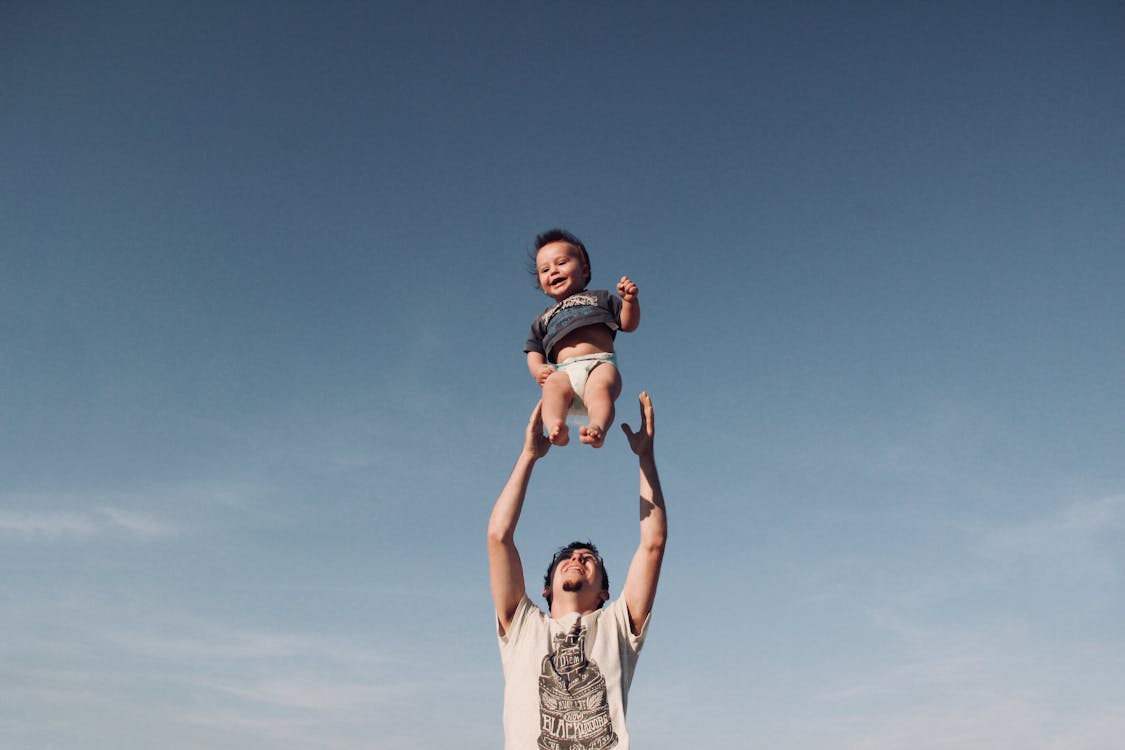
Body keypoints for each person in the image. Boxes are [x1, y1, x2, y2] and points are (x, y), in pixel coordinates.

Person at [487, 392, 667, 749]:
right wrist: (528, 456)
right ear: (546, 589)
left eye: (589, 559)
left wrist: (646, 457)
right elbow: (498, 537)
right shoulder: (523, 627)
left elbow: (653, 543)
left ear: (604, 592)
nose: (577, 559)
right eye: (567, 557)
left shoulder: (617, 626)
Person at [524, 228, 640, 448]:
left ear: (584, 269)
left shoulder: (600, 298)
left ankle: (597, 427)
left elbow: (628, 324)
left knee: (600, 391)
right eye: (545, 269)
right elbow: (533, 350)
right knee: (551, 388)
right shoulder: (544, 318)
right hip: (564, 371)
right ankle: (556, 426)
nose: (553, 271)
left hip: (599, 363)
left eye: (561, 263)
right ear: (541, 284)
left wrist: (630, 302)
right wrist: (538, 369)